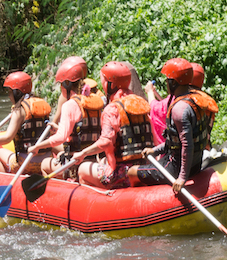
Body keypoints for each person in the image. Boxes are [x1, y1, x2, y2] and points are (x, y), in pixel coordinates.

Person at [135, 57, 218, 193]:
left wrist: (182, 178)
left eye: (168, 81)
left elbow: (186, 145)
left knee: (132, 173)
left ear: (173, 83)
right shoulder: (197, 100)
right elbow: (176, 141)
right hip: (196, 163)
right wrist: (155, 150)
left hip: (176, 166)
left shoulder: (179, 109)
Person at [70, 61, 153, 189]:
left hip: (123, 173)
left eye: (103, 80)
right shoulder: (141, 103)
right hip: (144, 168)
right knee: (102, 161)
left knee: (82, 168)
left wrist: (83, 153)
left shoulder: (112, 109)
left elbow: (106, 142)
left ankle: (103, 203)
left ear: (111, 84)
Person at [27, 56, 105, 179]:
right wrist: (58, 127)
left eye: (61, 85)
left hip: (75, 162)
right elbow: (82, 129)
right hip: (94, 160)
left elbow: (61, 137)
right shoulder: (95, 101)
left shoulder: (69, 105)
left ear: (67, 85)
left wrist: (37, 146)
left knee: (45, 164)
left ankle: (63, 190)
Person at [0, 71, 53, 174]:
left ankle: (6, 180)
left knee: (0, 152)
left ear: (17, 92)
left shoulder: (19, 110)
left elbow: (8, 138)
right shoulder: (43, 105)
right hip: (46, 161)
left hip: (26, 164)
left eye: (10, 92)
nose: (9, 96)